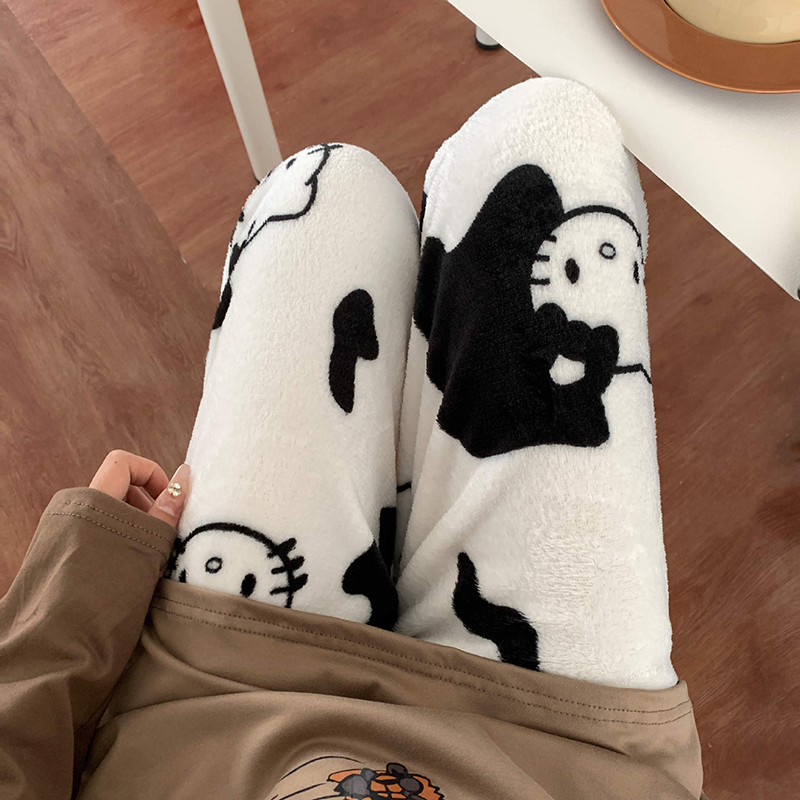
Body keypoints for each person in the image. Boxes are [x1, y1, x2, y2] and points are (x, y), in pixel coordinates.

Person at [0, 79, 705, 800]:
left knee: (327, 186)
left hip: (214, 702)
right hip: (564, 754)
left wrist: (76, 598)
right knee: (557, 132)